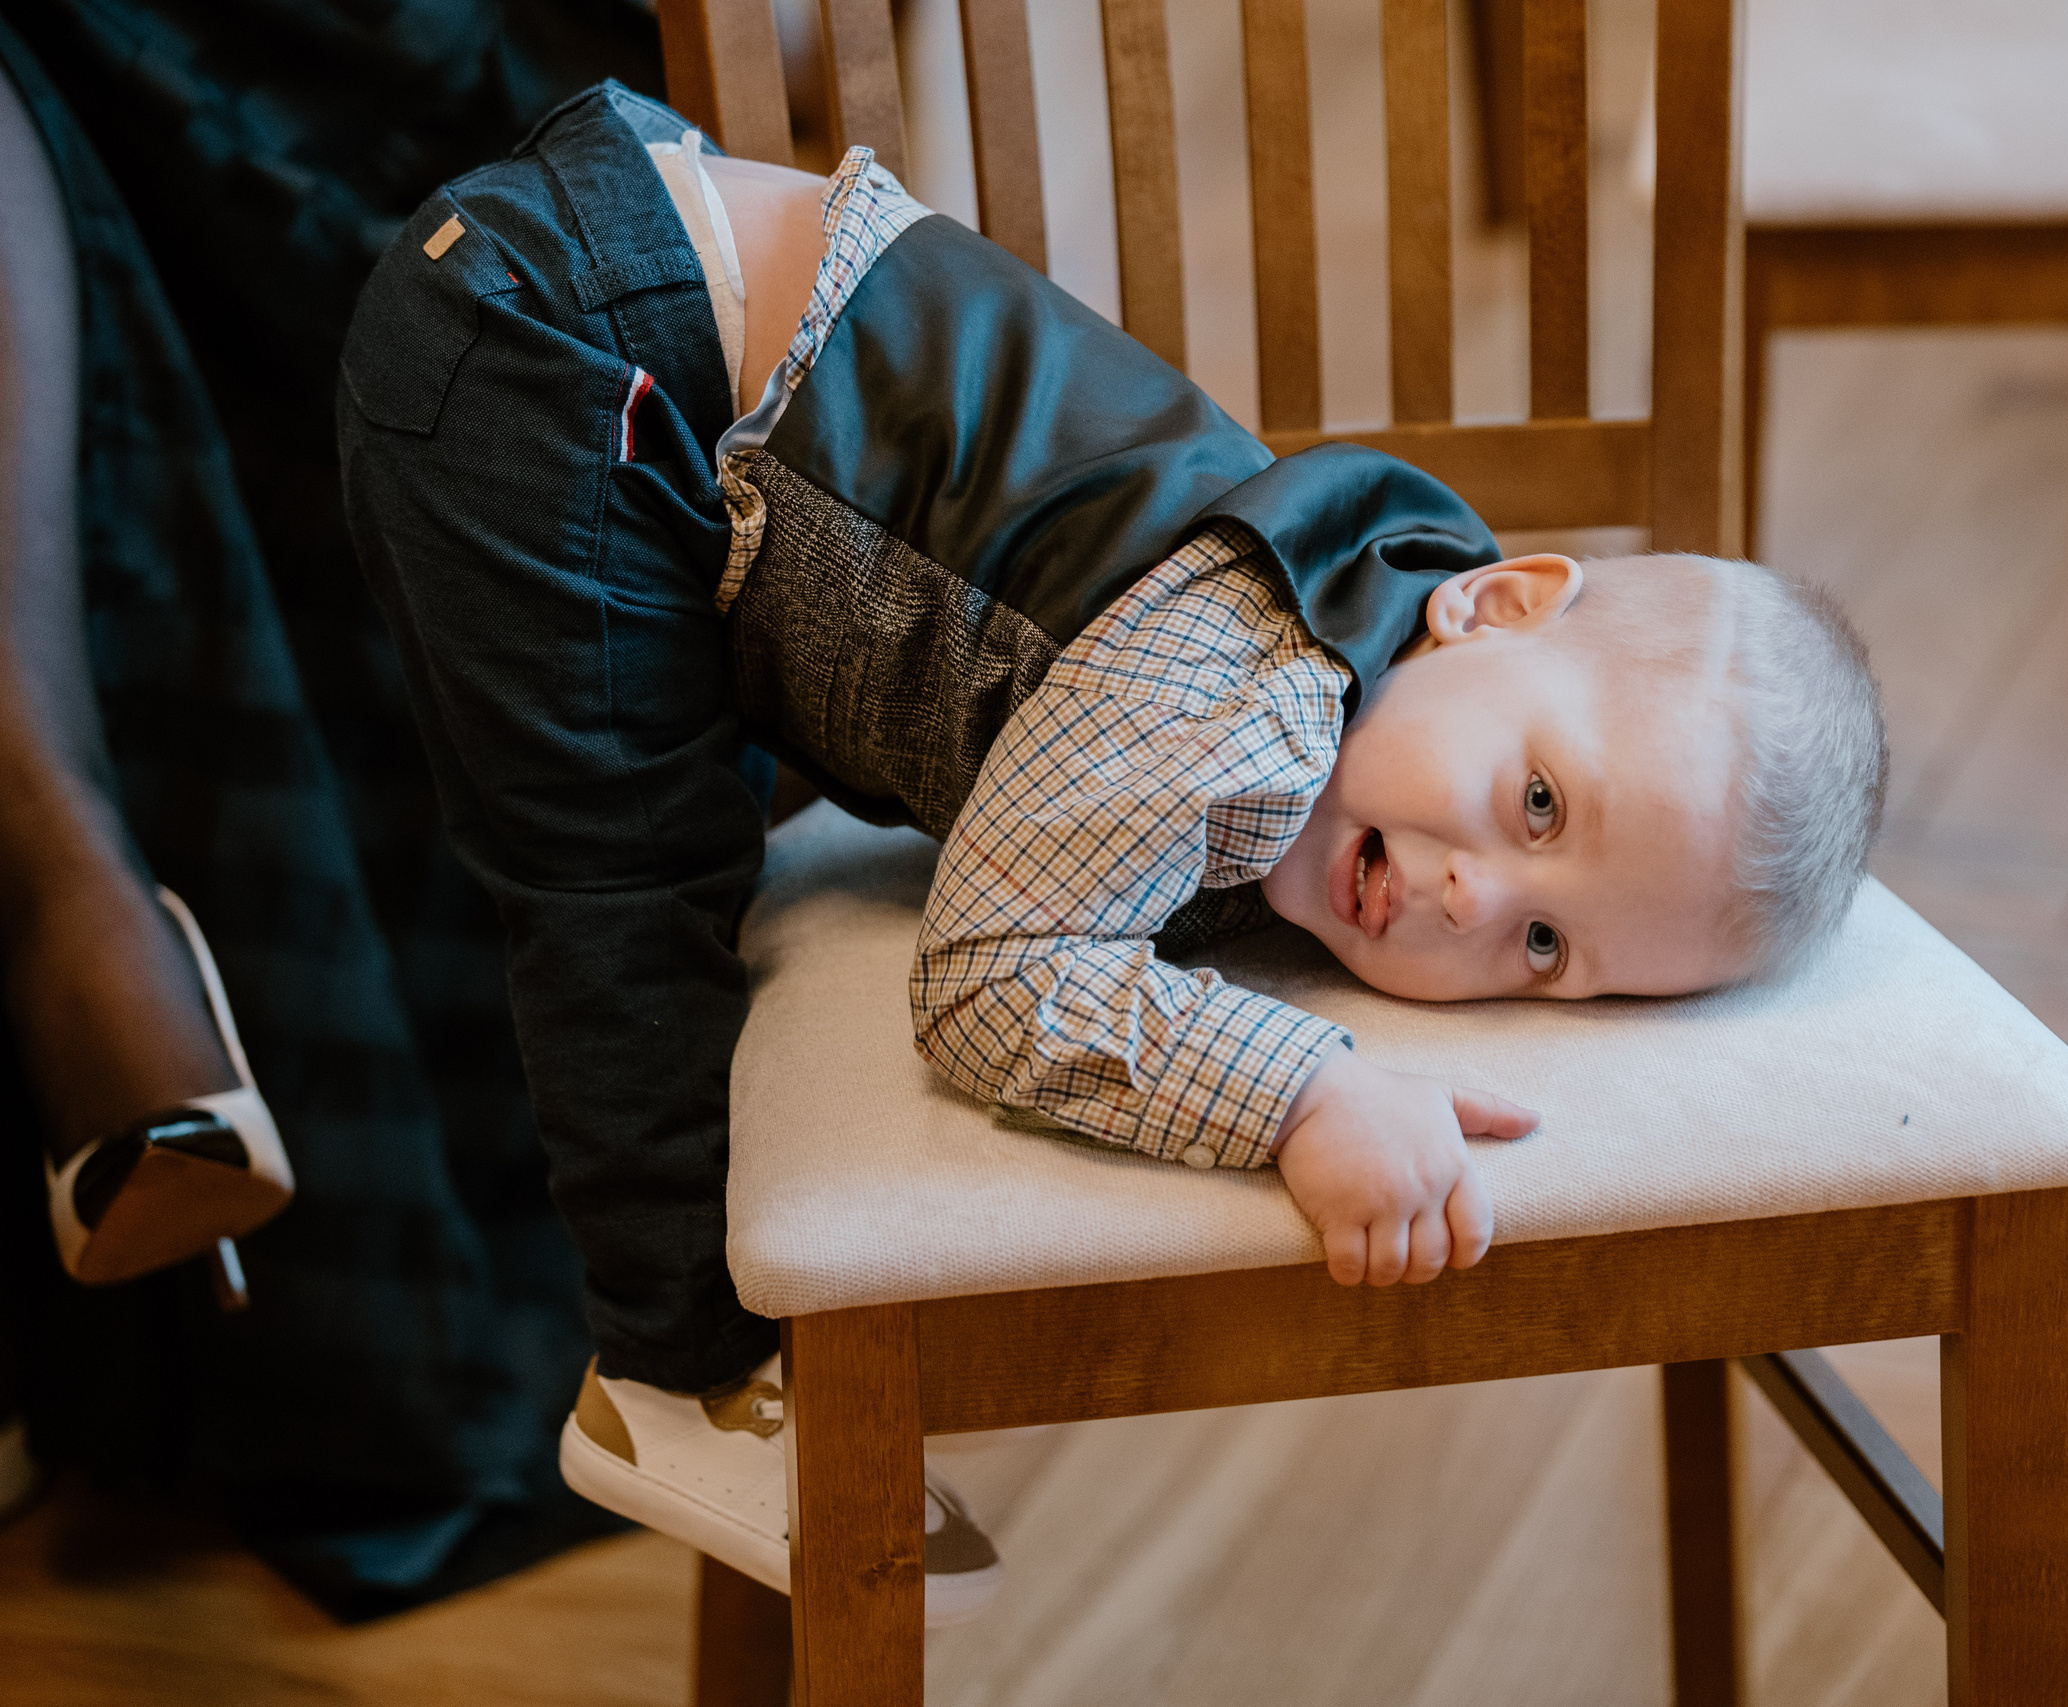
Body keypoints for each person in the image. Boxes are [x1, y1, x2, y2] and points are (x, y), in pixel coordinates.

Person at [336, 82, 1887, 1625]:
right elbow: (992, 978)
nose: (1481, 897)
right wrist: (1307, 1088)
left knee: (669, 803)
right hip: (558, 345)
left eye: (1548, 950)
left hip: (633, 300)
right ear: (1492, 601)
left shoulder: (1378, 614)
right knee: (621, 880)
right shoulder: (1256, 700)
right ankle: (664, 1372)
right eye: (1541, 803)